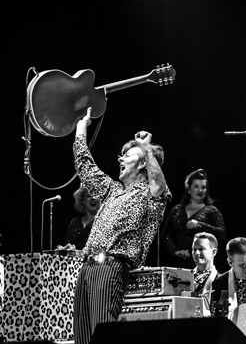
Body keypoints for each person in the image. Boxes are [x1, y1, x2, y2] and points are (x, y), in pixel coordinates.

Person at [72, 108, 171, 344]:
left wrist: (146, 148)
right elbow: (85, 167)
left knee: (102, 335)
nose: (120, 158)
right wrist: (81, 127)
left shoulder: (149, 194)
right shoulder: (112, 190)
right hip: (87, 267)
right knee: (83, 339)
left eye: (128, 156)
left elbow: (159, 184)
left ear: (143, 164)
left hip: (112, 266)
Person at [161, 169, 226, 268]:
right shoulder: (177, 209)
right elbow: (166, 234)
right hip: (178, 264)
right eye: (196, 187)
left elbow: (222, 233)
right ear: (188, 189)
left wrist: (199, 225)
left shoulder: (212, 211)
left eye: (203, 187)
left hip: (202, 264)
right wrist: (175, 251)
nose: (200, 190)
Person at [65, 185, 100, 249]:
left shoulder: (103, 222)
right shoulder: (75, 222)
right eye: (89, 196)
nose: (93, 198)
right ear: (83, 200)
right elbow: (67, 245)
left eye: (95, 195)